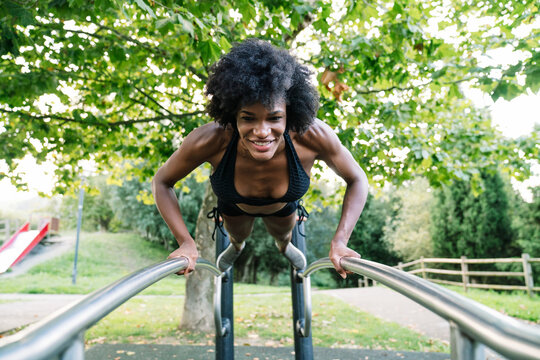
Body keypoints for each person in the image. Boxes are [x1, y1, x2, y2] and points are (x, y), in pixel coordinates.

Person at [152, 39, 368, 279]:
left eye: (274, 118)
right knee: (237, 237)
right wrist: (185, 242)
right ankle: (236, 247)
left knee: (283, 236)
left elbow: (357, 178)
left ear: (289, 113)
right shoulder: (211, 139)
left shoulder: (312, 136)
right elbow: (162, 181)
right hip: (234, 205)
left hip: (283, 206)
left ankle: (285, 247)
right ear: (232, 115)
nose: (262, 131)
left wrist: (340, 241)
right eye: (248, 118)